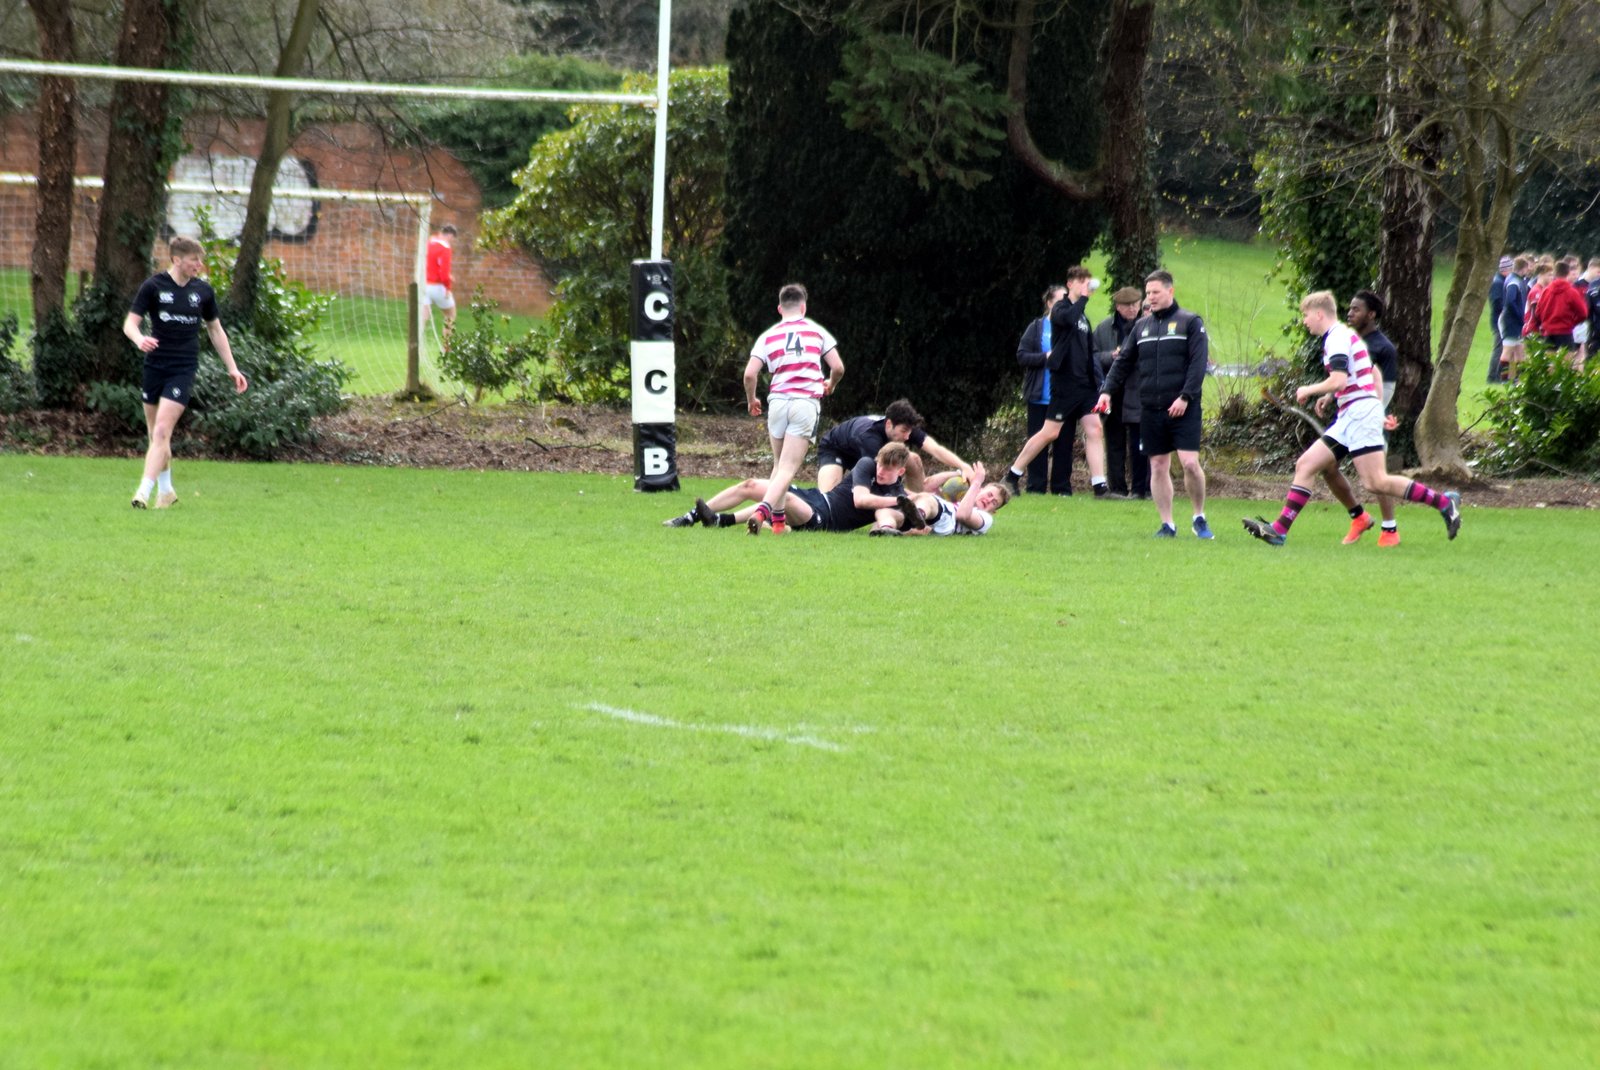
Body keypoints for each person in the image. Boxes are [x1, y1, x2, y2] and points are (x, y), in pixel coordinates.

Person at [1242, 291, 1461, 548]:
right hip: (1351, 415)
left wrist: (1310, 390)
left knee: (1375, 481)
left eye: (1306, 315)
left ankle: (1444, 502)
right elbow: (1364, 374)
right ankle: (1279, 530)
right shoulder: (1343, 336)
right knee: (1306, 464)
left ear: (1319, 314)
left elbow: (1339, 380)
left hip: (1360, 415)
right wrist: (1343, 399)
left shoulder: (1337, 338)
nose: (1304, 321)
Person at [123, 236, 248, 509]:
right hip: (155, 366)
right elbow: (130, 324)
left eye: (200, 260)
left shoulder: (202, 291)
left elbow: (215, 330)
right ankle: (166, 491)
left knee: (162, 430)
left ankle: (142, 492)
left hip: (183, 369)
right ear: (177, 260)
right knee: (156, 435)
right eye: (194, 259)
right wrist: (139, 339)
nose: (199, 265)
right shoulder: (153, 286)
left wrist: (232, 368)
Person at [1094, 269, 1213, 538]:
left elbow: (1198, 365)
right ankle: (1167, 524)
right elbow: (1123, 362)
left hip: (1184, 407)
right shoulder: (1141, 327)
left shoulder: (1190, 322)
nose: (1150, 298)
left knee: (1189, 463)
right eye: (1148, 293)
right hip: (1150, 408)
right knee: (1157, 465)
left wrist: (1185, 396)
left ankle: (1199, 516)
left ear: (1170, 291)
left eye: (1155, 292)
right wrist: (1106, 391)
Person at [742, 282, 845, 535]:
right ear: (803, 307)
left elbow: (749, 374)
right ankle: (762, 511)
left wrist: (752, 400)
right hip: (804, 403)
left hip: (778, 402)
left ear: (780, 308)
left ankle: (778, 524)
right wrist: (831, 384)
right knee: (788, 469)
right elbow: (838, 367)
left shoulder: (768, 336)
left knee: (779, 465)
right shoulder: (816, 331)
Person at [1001, 266, 1109, 498]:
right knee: (1050, 432)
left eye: (1087, 282)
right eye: (1081, 282)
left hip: (1085, 386)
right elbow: (1067, 319)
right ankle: (1012, 476)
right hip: (1064, 384)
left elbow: (1089, 353)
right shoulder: (1062, 308)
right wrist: (1083, 298)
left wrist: (1099, 385)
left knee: (1095, 428)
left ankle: (1100, 487)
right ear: (1070, 284)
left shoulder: (1083, 317)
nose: (1086, 286)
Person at [664, 442, 910, 535]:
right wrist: (899, 501)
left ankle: (722, 521)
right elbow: (861, 499)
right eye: (881, 464)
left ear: (900, 471)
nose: (881, 471)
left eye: (888, 469)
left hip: (825, 520)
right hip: (816, 497)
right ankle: (691, 518)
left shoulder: (897, 494)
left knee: (785, 498)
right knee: (751, 484)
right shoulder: (867, 464)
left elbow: (895, 518)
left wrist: (905, 508)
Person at [1324, 290, 1401, 547]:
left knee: (1377, 480)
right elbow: (1346, 379)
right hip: (1347, 420)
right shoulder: (1347, 340)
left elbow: (1386, 389)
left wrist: (1373, 416)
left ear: (1371, 315)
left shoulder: (1383, 348)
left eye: (1356, 309)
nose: (1350, 313)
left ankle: (1390, 529)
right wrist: (1330, 396)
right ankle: (1359, 517)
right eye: (1349, 308)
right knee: (1327, 467)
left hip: (1369, 420)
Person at [814, 399, 973, 494]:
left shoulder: (905, 427)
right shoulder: (870, 437)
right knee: (829, 497)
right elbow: (876, 479)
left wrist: (964, 466)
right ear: (889, 424)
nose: (907, 437)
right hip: (835, 449)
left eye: (909, 432)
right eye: (904, 431)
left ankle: (919, 508)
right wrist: (902, 496)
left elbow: (935, 449)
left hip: (866, 451)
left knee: (913, 458)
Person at [1014, 285, 1072, 494]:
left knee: (1064, 444)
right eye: (1059, 302)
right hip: (1040, 396)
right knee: (1037, 443)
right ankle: (1035, 487)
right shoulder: (1037, 327)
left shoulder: (1072, 328)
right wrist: (1045, 357)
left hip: (1064, 397)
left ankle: (1061, 488)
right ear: (1049, 303)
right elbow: (1022, 356)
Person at [1093, 286, 1148, 499]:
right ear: (1118, 306)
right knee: (1114, 441)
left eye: (1136, 304)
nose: (1133, 309)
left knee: (1139, 443)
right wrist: (1111, 356)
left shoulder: (1147, 325)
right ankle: (1117, 488)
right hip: (1113, 394)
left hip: (1137, 392)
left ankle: (1141, 488)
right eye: (1127, 305)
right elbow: (1093, 357)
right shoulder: (1104, 328)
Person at [895, 464, 1011, 536]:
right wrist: (958, 473)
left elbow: (962, 515)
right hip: (936, 515)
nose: (989, 500)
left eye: (994, 502)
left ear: (993, 511)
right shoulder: (959, 498)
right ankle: (889, 526)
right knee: (909, 495)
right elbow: (928, 485)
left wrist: (976, 482)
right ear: (980, 490)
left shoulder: (986, 518)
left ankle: (918, 515)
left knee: (926, 499)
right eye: (989, 494)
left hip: (945, 521)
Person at [1528, 259, 1589, 358]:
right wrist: (1573, 322)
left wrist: (1546, 321)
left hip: (1548, 332)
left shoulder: (1546, 291)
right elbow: (1583, 313)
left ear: (1555, 273)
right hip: (1565, 331)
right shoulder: (1571, 292)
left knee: (1550, 363)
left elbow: (1538, 312)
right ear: (1568, 273)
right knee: (1566, 363)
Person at [423, 223, 458, 349]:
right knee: (450, 315)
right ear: (450, 235)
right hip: (438, 287)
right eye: (452, 239)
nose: (451, 242)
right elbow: (443, 273)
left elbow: (431, 264)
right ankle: (446, 349)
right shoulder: (445, 248)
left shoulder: (429, 242)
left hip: (424, 285)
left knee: (423, 317)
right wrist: (448, 287)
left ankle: (415, 345)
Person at [1499, 255, 1529, 380]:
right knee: (1507, 352)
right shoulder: (1514, 282)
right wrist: (1520, 316)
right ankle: (1503, 380)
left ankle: (1518, 380)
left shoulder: (1516, 279)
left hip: (1516, 322)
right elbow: (1510, 302)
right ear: (1523, 268)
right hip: (1511, 322)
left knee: (1520, 353)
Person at [1487, 256, 1511, 383]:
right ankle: (1493, 376)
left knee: (1502, 348)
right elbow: (1496, 302)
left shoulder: (1502, 281)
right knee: (1499, 348)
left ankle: (1498, 375)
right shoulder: (1498, 283)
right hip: (1498, 321)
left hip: (1501, 320)